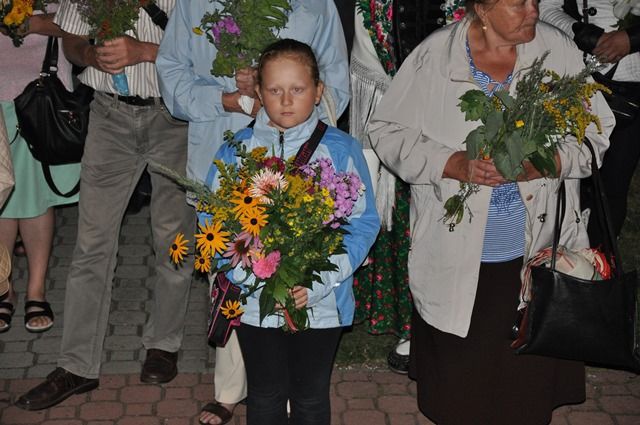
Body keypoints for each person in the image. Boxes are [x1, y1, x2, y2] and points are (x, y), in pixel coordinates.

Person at [368, 0, 615, 423]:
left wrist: (546, 162)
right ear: (481, 8)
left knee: (527, 382)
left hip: (537, 251)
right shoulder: (434, 56)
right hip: (459, 252)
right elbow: (387, 131)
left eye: (534, 0)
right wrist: (452, 163)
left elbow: (596, 133)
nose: (533, 10)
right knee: (462, 383)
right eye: (517, 2)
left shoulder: (557, 51)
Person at [155, 1, 349, 423]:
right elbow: (170, 69)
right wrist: (234, 98)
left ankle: (293, 390)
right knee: (235, 280)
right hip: (226, 150)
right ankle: (230, 391)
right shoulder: (195, 4)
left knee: (298, 278)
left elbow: (336, 76)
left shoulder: (316, 5)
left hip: (305, 160)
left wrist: (285, 87)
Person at [16, 0, 195, 411]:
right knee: (91, 244)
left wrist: (145, 51)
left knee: (172, 239)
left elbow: (206, 50)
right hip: (108, 115)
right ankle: (76, 365)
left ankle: (163, 344)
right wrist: (90, 54)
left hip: (174, 119)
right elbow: (73, 41)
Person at [205, 38, 379, 425]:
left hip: (320, 303)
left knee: (311, 395)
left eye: (297, 90)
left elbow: (363, 222)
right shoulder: (237, 151)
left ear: (318, 92)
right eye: (274, 90)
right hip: (253, 302)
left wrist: (319, 282)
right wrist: (248, 271)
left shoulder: (341, 149)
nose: (286, 101)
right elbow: (211, 220)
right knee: (265, 395)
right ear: (259, 94)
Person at [350, 0, 449, 375]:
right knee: (406, 232)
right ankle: (412, 327)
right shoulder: (373, 5)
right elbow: (367, 66)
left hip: (451, 122)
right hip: (394, 120)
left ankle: (447, 326)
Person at [0, 8, 79, 334]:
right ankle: (3, 287)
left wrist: (31, 23)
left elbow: (82, 23)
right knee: (2, 197)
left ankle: (36, 290)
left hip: (41, 91)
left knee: (34, 198)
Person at [539, 0, 640, 247]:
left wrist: (632, 38)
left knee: (614, 185)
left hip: (635, 84)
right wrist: (582, 33)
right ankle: (564, 260)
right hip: (583, 78)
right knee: (572, 177)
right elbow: (544, 7)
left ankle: (601, 263)